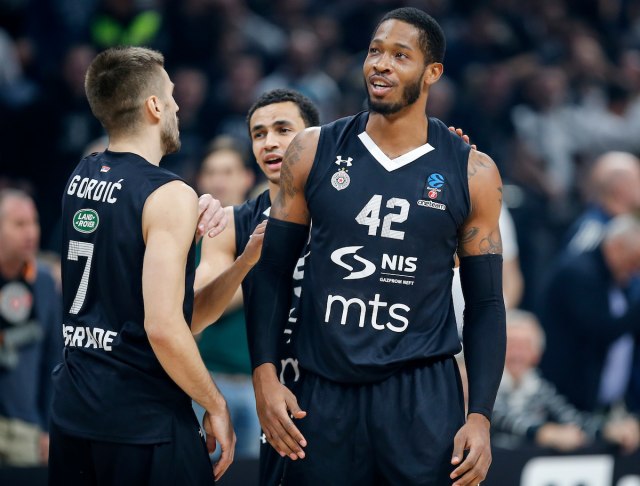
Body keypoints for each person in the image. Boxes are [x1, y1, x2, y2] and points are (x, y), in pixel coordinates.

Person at [250, 8, 506, 486]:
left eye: (400, 55)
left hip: (421, 396)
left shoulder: (473, 171)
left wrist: (481, 416)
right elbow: (272, 271)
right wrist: (264, 374)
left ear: (432, 73)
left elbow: (486, 303)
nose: (381, 64)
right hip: (324, 392)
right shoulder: (312, 149)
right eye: (374, 51)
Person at [48, 46, 235, 485]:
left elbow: (123, 243)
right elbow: (164, 327)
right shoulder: (169, 193)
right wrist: (214, 402)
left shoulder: (81, 175)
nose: (176, 106)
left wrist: (187, 224)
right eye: (171, 95)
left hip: (74, 408)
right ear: (154, 106)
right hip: (142, 420)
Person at [195, 88, 320, 484]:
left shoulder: (346, 207)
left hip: (342, 387)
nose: (270, 142)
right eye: (259, 133)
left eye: (283, 130)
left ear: (313, 137)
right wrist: (246, 261)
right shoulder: (233, 223)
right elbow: (194, 314)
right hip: (273, 390)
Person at [192, 136, 259, 460]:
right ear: (199, 180)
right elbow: (191, 306)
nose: (219, 181)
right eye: (211, 172)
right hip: (204, 382)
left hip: (259, 385)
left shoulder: (267, 226)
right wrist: (256, 273)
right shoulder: (188, 238)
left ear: (247, 177)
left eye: (228, 171)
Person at [492, 309, 640, 453]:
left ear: (537, 354)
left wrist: (607, 430)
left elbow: (571, 418)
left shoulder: (538, 385)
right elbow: (498, 417)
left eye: (524, 346)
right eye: (511, 344)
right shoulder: (486, 383)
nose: (517, 354)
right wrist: (542, 432)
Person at [539, 214, 640, 414]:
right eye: (634, 260)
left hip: (601, 394)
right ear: (616, 247)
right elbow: (600, 331)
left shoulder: (616, 278)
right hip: (567, 392)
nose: (636, 270)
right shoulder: (579, 274)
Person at [0, 189, 62, 466]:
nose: (30, 232)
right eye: (19, 224)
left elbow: (53, 360)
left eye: (33, 222)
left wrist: (48, 427)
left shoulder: (45, 283)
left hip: (26, 428)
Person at [565, 151, 640, 255]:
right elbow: (574, 262)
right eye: (638, 180)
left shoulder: (625, 221)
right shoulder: (594, 230)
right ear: (621, 188)